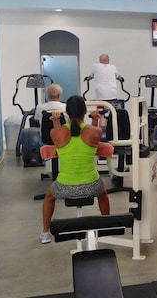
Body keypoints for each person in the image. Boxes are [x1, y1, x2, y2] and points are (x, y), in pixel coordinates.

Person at [40, 95, 110, 244]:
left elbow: (59, 136)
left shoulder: (55, 133)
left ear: (66, 111)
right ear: (85, 111)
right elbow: (92, 133)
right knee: (103, 193)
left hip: (64, 188)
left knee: (49, 197)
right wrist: (95, 118)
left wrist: (56, 120)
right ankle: (106, 227)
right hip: (92, 187)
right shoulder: (95, 132)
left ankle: (45, 233)